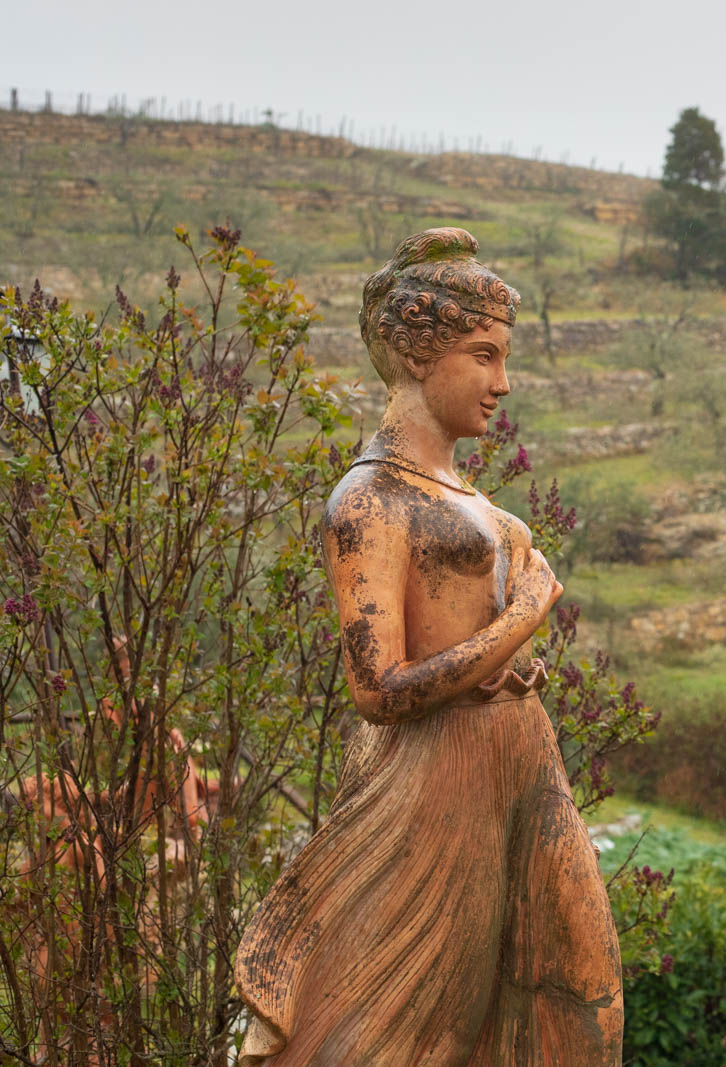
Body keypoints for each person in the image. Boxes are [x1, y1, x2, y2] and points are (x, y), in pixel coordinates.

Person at [234, 228, 622, 1065]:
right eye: (484, 356)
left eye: (503, 357)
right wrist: (520, 617)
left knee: (580, 999)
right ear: (418, 354)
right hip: (436, 783)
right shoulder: (367, 498)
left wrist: (515, 654)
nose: (502, 383)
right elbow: (379, 688)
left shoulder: (472, 499)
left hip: (524, 761)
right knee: (404, 1028)